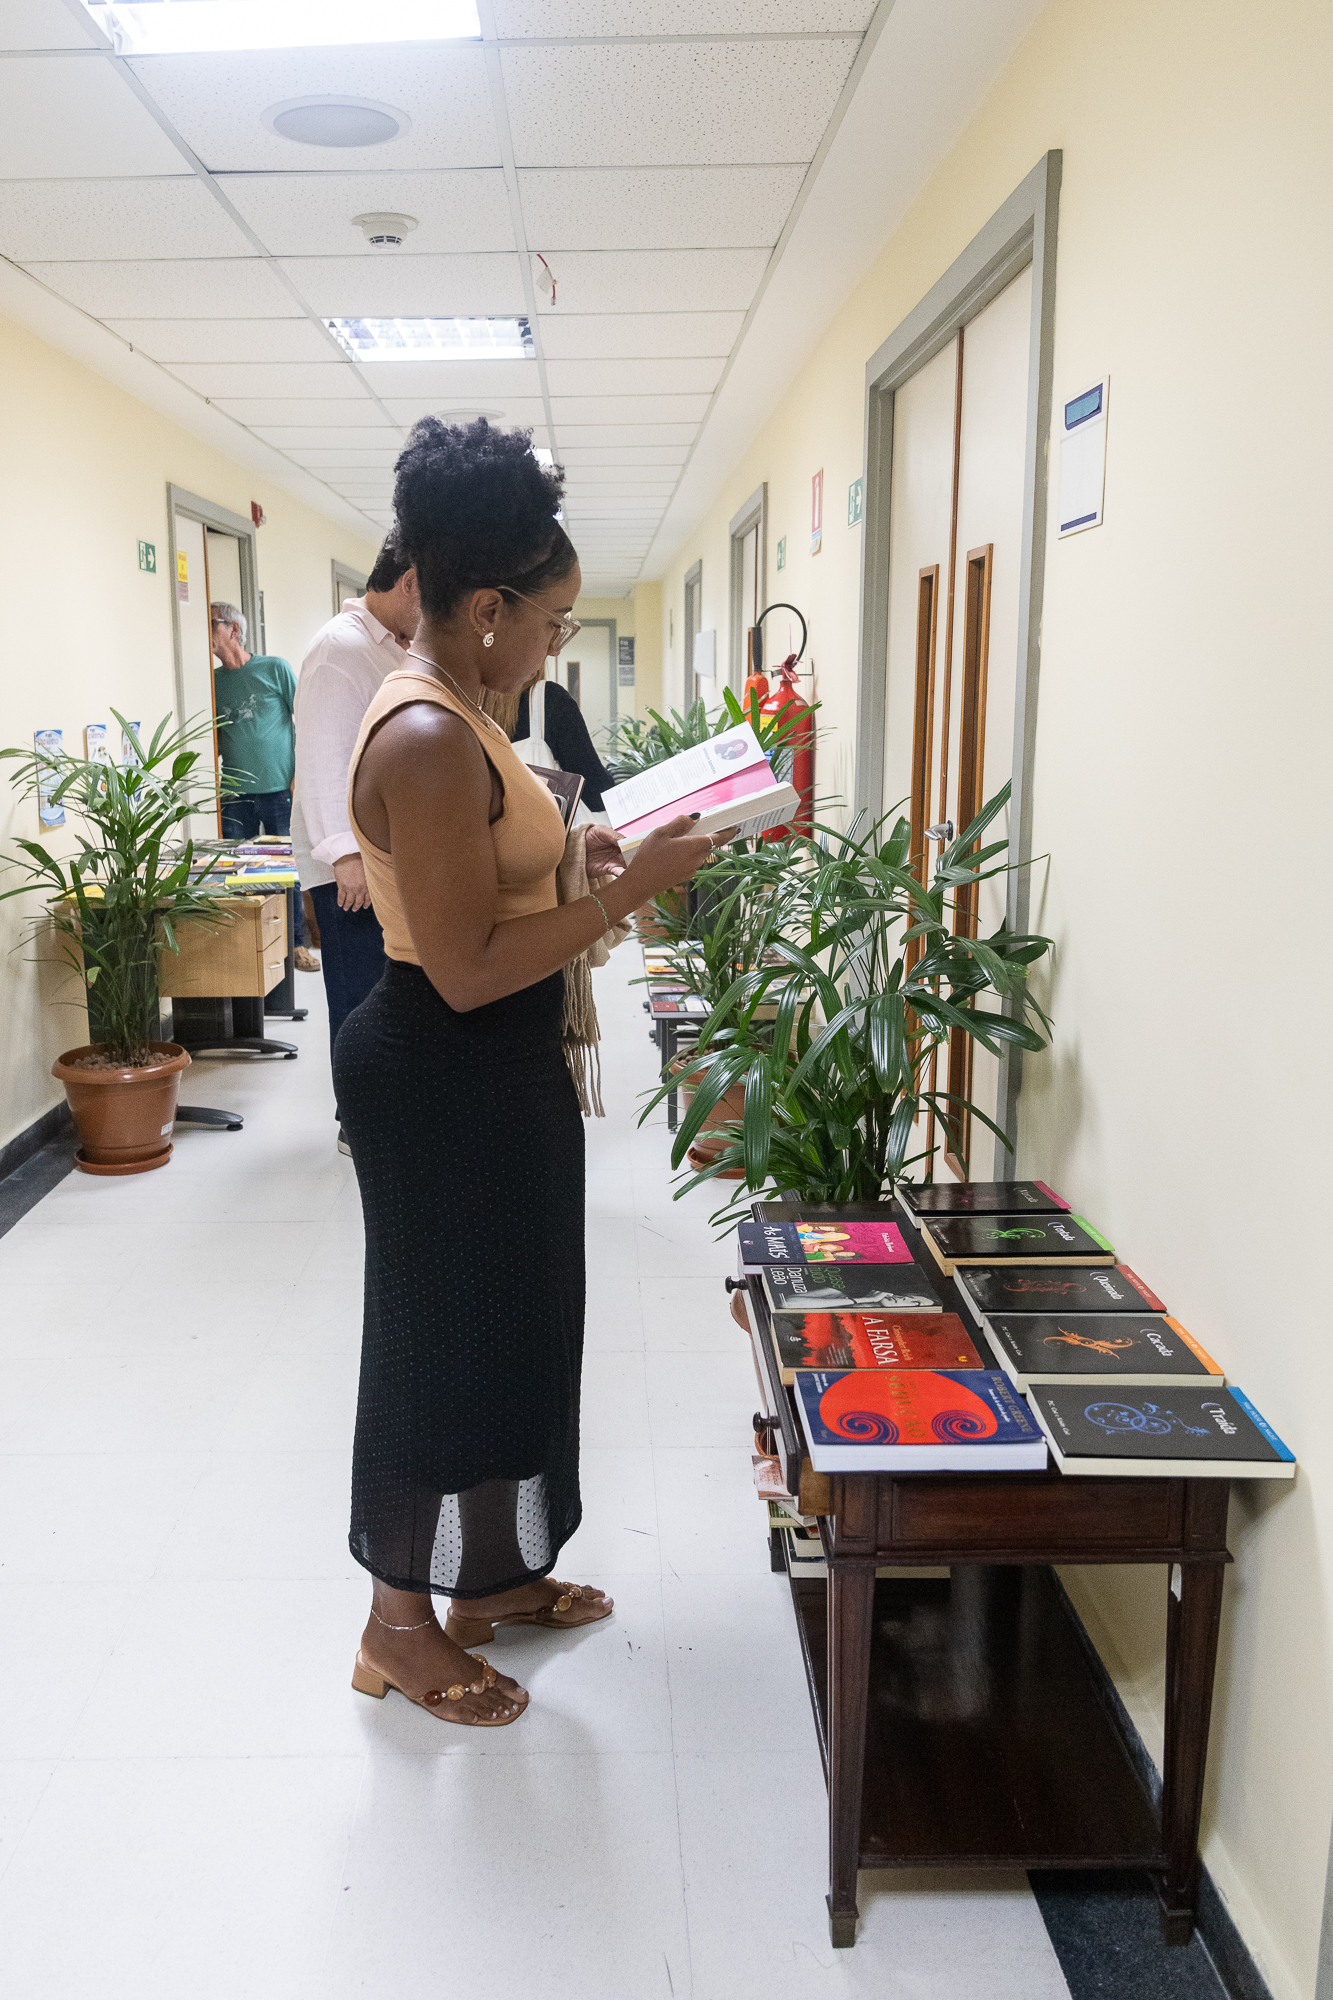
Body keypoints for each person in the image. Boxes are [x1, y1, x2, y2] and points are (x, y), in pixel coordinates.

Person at [334, 418, 712, 1727]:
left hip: (495, 1072)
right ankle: (397, 1625)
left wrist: (587, 865)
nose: (557, 641)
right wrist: (636, 892)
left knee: (520, 1335)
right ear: (486, 608)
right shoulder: (428, 737)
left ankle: (488, 1578)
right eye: (550, 619)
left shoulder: (476, 720)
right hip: (442, 1070)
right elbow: (466, 966)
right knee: (441, 1348)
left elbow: (502, 895)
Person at [291, 534, 420, 1148]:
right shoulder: (338, 650)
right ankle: (359, 1125)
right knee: (358, 994)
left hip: (378, 859)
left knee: (381, 993)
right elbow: (321, 760)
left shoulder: (388, 648)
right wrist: (346, 857)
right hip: (350, 866)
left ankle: (380, 1110)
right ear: (410, 581)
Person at [211, 601, 314, 968]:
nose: (205, 632)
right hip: (234, 793)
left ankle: (296, 944)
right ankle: (249, 948)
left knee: (286, 867)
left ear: (233, 630)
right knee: (234, 870)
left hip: (278, 789)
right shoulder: (211, 683)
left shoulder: (274, 668)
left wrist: (300, 774)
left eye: (211, 624)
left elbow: (306, 716)